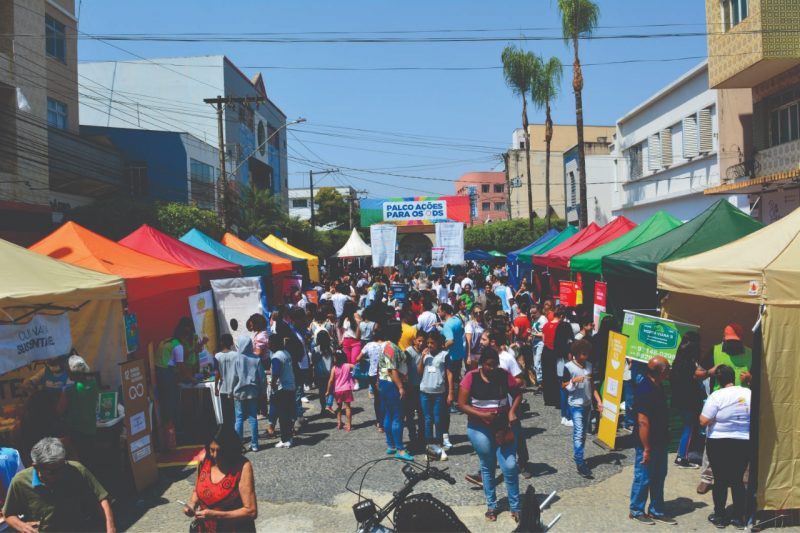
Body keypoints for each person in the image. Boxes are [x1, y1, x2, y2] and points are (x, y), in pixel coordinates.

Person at [458, 348, 522, 523]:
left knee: (509, 466)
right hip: (479, 426)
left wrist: (512, 412)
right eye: (489, 365)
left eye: (495, 365)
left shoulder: (503, 375)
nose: (492, 369)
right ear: (482, 364)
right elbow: (461, 404)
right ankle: (491, 505)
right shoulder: (471, 377)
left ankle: (515, 506)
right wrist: (482, 415)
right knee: (488, 464)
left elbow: (518, 394)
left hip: (502, 426)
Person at [3, 437, 116, 532]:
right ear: (36, 467)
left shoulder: (75, 469)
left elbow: (101, 498)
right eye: (52, 472)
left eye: (62, 468)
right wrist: (23, 526)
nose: (59, 475)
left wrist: (111, 527)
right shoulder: (20, 482)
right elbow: (8, 514)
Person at [696, 323, 753, 495]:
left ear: (741, 340)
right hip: (719, 402)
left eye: (735, 341)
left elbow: (762, 377)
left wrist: (751, 377)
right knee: (712, 440)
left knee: (743, 442)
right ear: (723, 338)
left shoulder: (751, 353)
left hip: (743, 403)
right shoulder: (715, 351)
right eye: (729, 340)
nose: (732, 344)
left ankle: (744, 478)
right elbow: (697, 374)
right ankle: (707, 477)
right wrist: (709, 372)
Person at [699, 365, 751, 529]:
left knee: (720, 480)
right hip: (743, 441)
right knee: (737, 480)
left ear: (718, 380)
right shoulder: (748, 393)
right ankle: (738, 517)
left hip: (719, 441)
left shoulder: (716, 395)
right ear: (733, 377)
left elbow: (704, 421)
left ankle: (720, 516)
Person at [629, 356, 677, 525]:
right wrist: (646, 448)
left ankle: (656, 509)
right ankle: (636, 510)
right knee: (643, 476)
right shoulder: (645, 389)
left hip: (661, 440)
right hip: (647, 443)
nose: (670, 371)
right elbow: (643, 421)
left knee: (659, 475)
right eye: (668, 368)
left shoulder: (659, 386)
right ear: (661, 371)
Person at [184, 426, 257, 532]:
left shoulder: (242, 467)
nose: (215, 455)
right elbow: (197, 489)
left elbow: (251, 511)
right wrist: (192, 504)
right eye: (212, 450)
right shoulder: (204, 461)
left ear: (230, 449)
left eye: (220, 451)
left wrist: (217, 515)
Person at [562, 339, 602, 479]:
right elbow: (563, 385)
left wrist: (598, 400)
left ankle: (578, 455)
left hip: (587, 404)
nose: (586, 357)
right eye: (583, 354)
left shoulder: (589, 366)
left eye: (587, 354)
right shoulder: (569, 367)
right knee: (579, 432)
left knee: (583, 433)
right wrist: (573, 381)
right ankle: (580, 463)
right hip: (575, 404)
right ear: (576, 353)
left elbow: (592, 385)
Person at [669, 331, 704, 469]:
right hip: (689, 400)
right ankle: (682, 457)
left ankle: (681, 454)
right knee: (689, 428)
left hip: (679, 399)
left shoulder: (677, 361)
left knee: (687, 427)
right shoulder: (690, 365)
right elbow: (696, 378)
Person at [378, 321, 413, 461]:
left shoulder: (385, 345)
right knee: (397, 416)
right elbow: (392, 370)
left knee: (388, 414)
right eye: (399, 330)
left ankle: (391, 445)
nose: (401, 333)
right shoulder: (391, 347)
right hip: (392, 383)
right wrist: (400, 387)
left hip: (384, 382)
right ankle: (400, 448)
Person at [418, 330, 453, 461]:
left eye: (432, 342)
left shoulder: (445, 355)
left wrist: (450, 392)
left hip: (439, 392)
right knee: (428, 420)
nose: (429, 345)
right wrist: (422, 358)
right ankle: (429, 448)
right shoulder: (425, 355)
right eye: (428, 343)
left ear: (438, 343)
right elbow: (419, 372)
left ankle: (439, 446)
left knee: (438, 420)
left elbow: (449, 374)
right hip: (425, 391)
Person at [58, 355, 98, 468]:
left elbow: (60, 410)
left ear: (70, 373)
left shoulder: (69, 390)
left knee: (79, 462)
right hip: (91, 429)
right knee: (89, 460)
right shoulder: (94, 385)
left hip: (76, 433)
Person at [233, 338, 265, 452]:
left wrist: (230, 391)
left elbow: (234, 377)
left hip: (239, 391)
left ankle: (238, 445)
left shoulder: (236, 359)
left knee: (239, 418)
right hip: (253, 391)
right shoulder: (256, 359)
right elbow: (262, 377)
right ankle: (255, 444)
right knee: (253, 418)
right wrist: (262, 390)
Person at [268, 334, 295, 448]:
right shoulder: (286, 353)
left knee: (283, 415)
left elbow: (276, 373)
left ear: (274, 344)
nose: (268, 344)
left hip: (282, 388)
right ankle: (289, 437)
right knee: (288, 414)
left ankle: (285, 439)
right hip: (291, 386)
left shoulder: (276, 357)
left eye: (269, 342)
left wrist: (273, 383)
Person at [439, 303, 465, 418]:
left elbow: (450, 341)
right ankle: (459, 401)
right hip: (459, 354)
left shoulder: (448, 325)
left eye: (439, 311)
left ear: (444, 311)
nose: (439, 313)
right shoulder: (457, 319)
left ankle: (453, 404)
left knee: (450, 380)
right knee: (456, 378)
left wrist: (441, 347)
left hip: (451, 356)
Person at [403, 330, 425, 450]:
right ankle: (412, 436)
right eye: (419, 340)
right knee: (410, 414)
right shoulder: (409, 352)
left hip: (422, 387)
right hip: (411, 387)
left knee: (422, 413)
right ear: (414, 340)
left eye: (423, 341)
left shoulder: (425, 352)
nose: (421, 343)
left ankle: (421, 436)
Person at [326, 351, 355, 431]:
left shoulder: (334, 368)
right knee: (348, 407)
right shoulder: (348, 365)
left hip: (337, 390)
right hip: (347, 389)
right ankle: (349, 425)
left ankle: (339, 423)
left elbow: (331, 380)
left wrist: (328, 391)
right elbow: (356, 367)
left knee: (339, 407)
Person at [214, 334, 238, 430]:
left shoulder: (217, 356)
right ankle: (235, 433)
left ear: (221, 343)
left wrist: (216, 387)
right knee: (234, 413)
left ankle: (228, 434)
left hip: (223, 388)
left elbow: (217, 373)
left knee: (226, 414)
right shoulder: (236, 355)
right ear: (232, 343)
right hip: (235, 388)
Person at [312, 330, 335, 416]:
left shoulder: (315, 349)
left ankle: (323, 408)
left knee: (321, 392)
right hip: (330, 373)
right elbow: (334, 360)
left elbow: (313, 361)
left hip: (320, 373)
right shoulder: (331, 348)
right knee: (331, 390)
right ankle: (328, 405)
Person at [464, 304, 486, 371]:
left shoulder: (485, 324)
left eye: (480, 312)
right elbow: (468, 341)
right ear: (473, 314)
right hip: (473, 354)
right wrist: (468, 356)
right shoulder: (470, 324)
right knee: (473, 373)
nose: (478, 314)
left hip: (482, 353)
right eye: (476, 313)